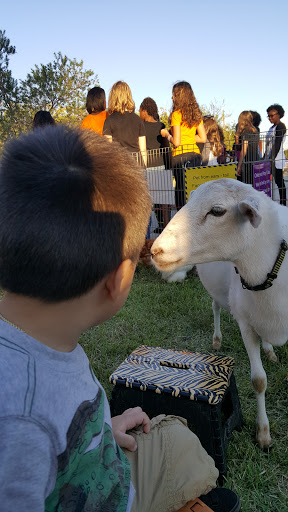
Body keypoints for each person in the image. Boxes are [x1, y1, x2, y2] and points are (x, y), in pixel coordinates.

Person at [0, 126, 240, 512]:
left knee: (175, 432)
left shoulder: (44, 341)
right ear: (119, 279)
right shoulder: (20, 423)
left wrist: (98, 435)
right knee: (181, 445)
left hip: (95, 462)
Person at [161, 81, 206, 209]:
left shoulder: (176, 114)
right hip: (195, 155)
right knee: (194, 191)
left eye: (173, 94)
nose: (172, 97)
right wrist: (189, 137)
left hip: (180, 156)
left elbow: (176, 142)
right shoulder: (196, 114)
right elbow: (203, 138)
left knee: (181, 194)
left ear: (178, 96)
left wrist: (166, 134)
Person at [140, 97, 171, 231]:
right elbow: (166, 146)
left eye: (140, 110)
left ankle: (145, 227)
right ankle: (166, 227)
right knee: (164, 200)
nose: (139, 113)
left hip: (146, 165)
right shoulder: (161, 126)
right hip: (160, 164)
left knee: (147, 201)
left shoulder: (141, 126)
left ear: (145, 111)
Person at [103, 81, 147, 166]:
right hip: (137, 164)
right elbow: (143, 149)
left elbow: (108, 149)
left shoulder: (109, 121)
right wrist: (144, 168)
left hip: (120, 166)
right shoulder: (138, 120)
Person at [265, 103, 287, 205]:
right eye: (268, 116)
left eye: (272, 115)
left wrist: (271, 159)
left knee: (279, 182)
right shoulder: (271, 128)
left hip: (276, 159)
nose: (270, 118)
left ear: (278, 114)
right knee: (265, 181)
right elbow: (268, 145)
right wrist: (265, 157)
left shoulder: (281, 126)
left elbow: (277, 144)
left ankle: (283, 203)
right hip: (269, 158)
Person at [236, 110, 259, 184]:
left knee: (246, 185)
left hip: (247, 162)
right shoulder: (255, 130)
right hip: (255, 159)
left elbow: (244, 150)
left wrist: (239, 166)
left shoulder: (245, 131)